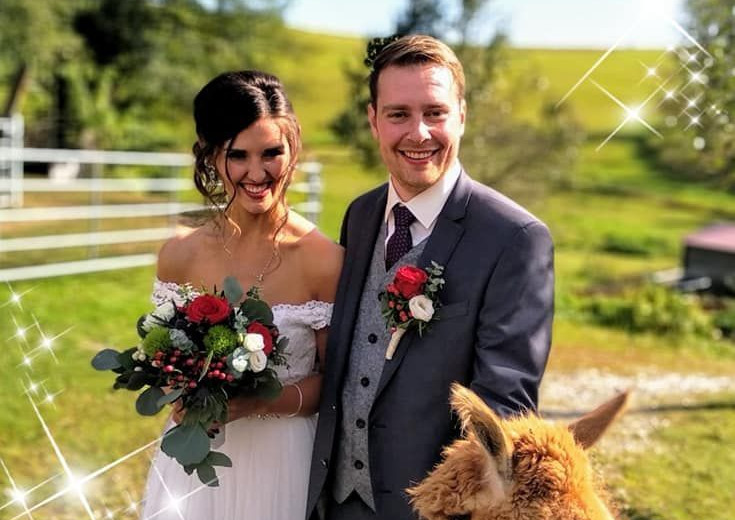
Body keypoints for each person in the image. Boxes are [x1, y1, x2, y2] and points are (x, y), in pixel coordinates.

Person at [307, 35, 554, 520]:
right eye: (398, 114)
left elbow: (503, 408)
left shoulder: (515, 237)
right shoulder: (360, 215)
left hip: (432, 509)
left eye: (435, 113)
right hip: (334, 500)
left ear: (461, 114)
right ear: (373, 120)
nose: (418, 133)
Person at [140, 70, 343, 520]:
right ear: (212, 155)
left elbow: (334, 383)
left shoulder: (324, 261)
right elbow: (163, 359)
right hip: (193, 468)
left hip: (284, 464)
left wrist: (258, 401)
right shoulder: (179, 255)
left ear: (293, 149)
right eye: (238, 155)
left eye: (272, 153)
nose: (257, 173)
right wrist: (177, 391)